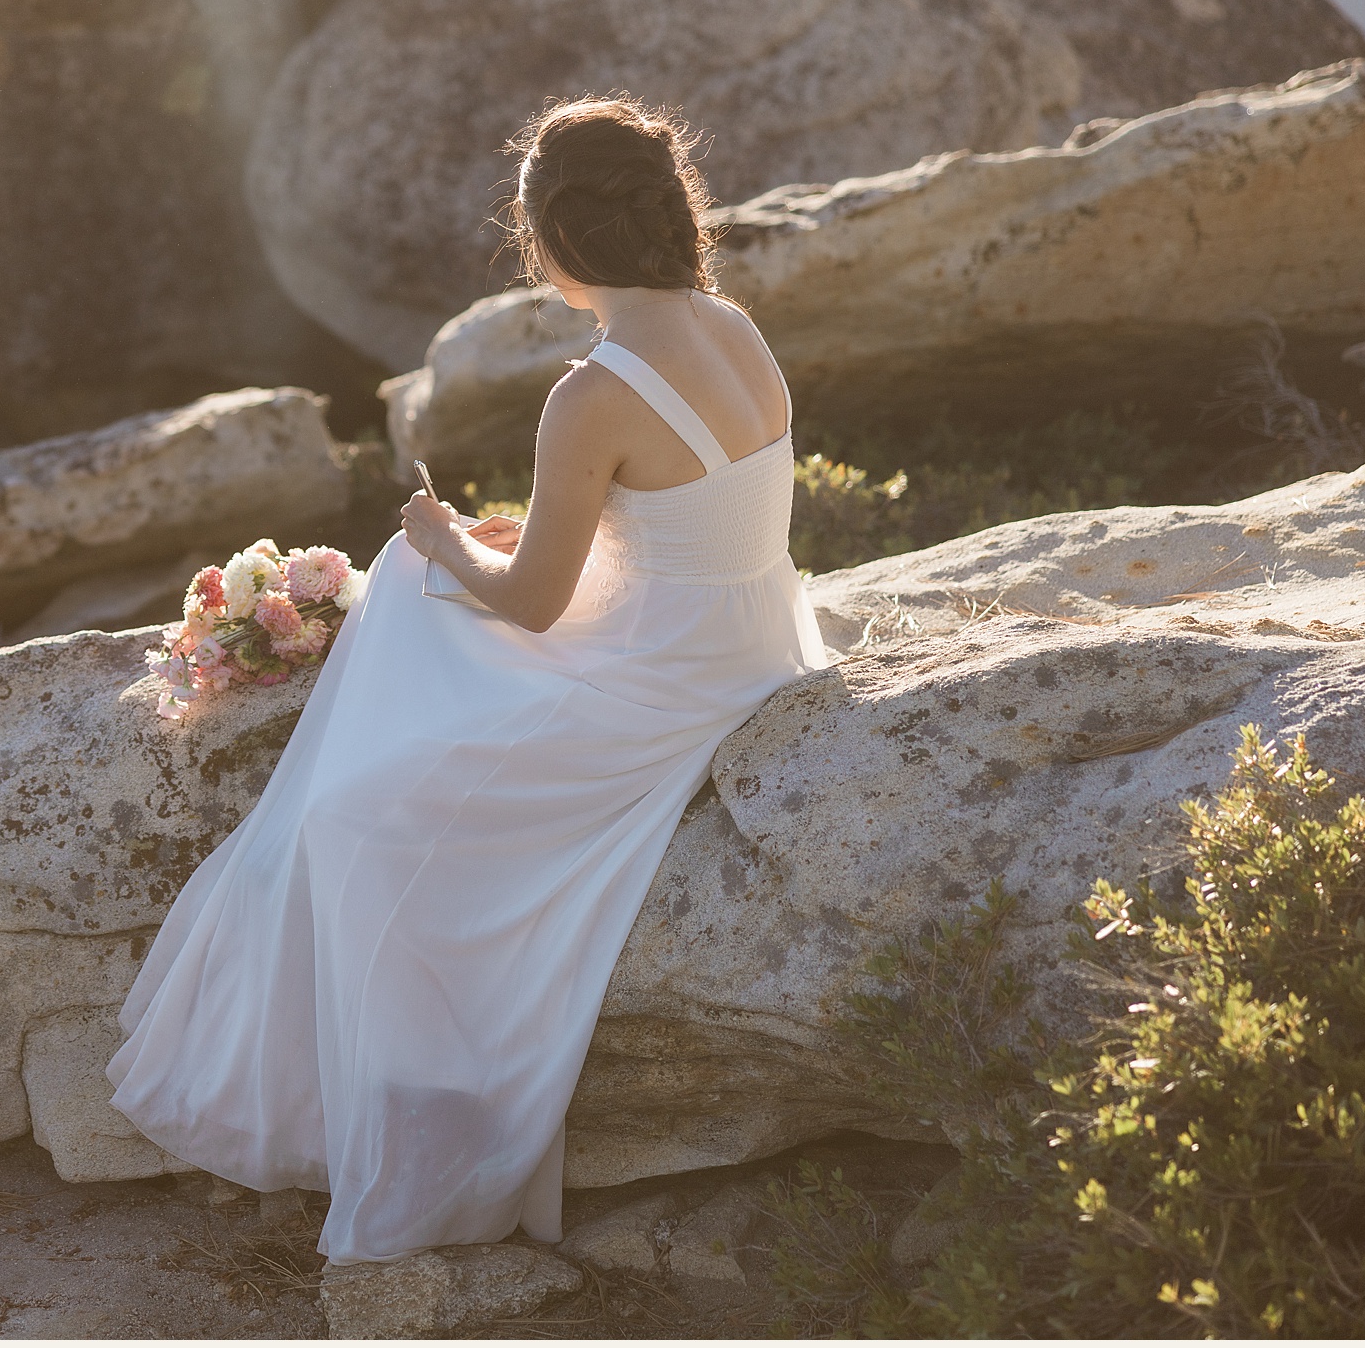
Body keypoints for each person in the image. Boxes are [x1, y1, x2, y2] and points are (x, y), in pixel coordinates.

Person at [106, 94, 831, 1266]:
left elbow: (538, 604)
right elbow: (694, 521)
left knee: (358, 816)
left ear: (554, 233)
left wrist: (447, 546)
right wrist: (523, 530)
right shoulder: (733, 329)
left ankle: (428, 1129)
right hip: (745, 633)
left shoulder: (592, 389)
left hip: (663, 682)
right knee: (423, 622)